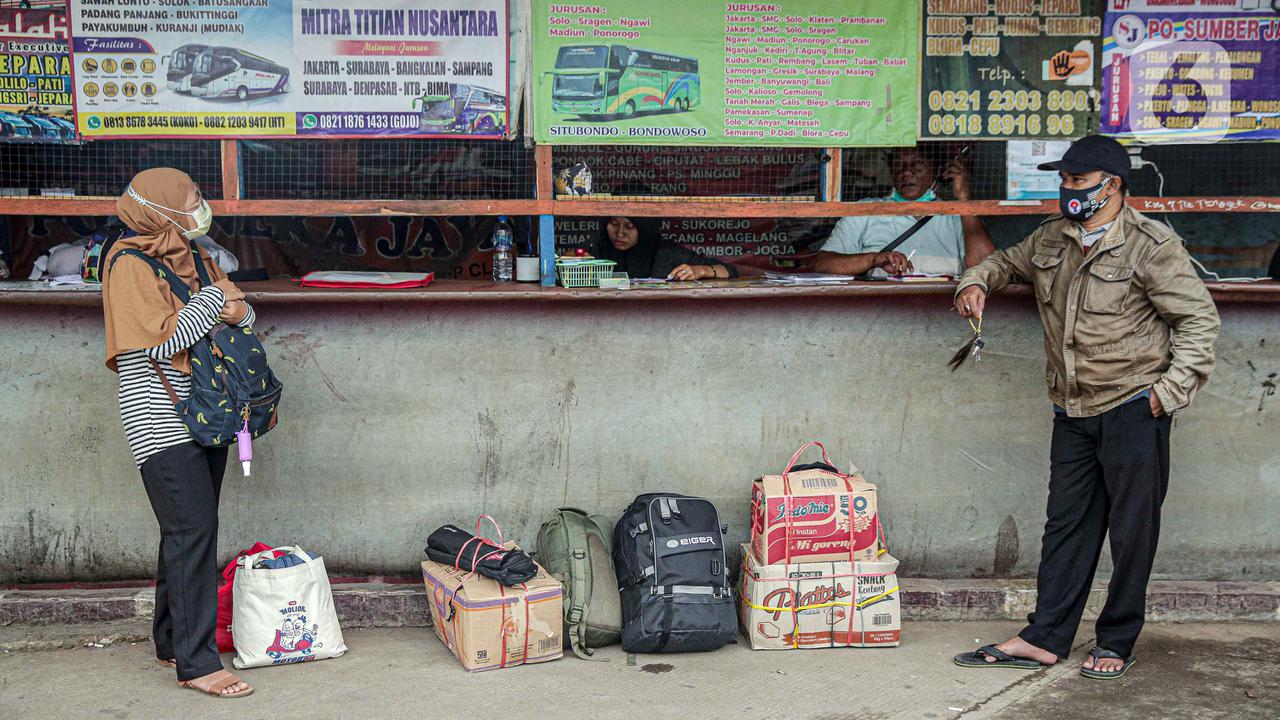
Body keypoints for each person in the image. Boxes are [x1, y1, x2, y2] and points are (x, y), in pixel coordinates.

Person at [951, 135, 1220, 680]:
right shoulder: (1053, 238)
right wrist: (976, 281)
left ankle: (1117, 640)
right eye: (1065, 180)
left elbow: (1198, 322)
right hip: (1072, 410)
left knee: (1131, 531)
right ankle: (1046, 637)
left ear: (1112, 184)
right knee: (1067, 526)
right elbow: (1004, 262)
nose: (1067, 190)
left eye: (1078, 181)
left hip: (1132, 407)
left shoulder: (1151, 245)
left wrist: (1165, 396)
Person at [101, 168, 256, 699]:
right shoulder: (125, 264)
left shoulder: (198, 255)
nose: (200, 205)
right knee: (193, 532)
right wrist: (215, 305)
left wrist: (227, 309)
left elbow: (244, 314)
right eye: (190, 198)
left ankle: (170, 639)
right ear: (159, 208)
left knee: (187, 530)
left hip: (208, 411)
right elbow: (158, 347)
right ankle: (196, 663)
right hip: (158, 418)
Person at [814, 146, 995, 276]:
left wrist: (964, 200)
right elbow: (823, 263)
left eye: (917, 164)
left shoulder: (959, 216)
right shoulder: (865, 211)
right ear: (891, 171)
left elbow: (986, 268)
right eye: (899, 165)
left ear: (935, 170)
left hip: (946, 312)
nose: (907, 172)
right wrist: (874, 259)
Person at [593, 216, 739, 281]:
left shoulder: (666, 252)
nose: (619, 233)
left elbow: (730, 271)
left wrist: (701, 270)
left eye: (629, 226)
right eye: (613, 223)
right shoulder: (599, 246)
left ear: (645, 230)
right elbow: (571, 256)